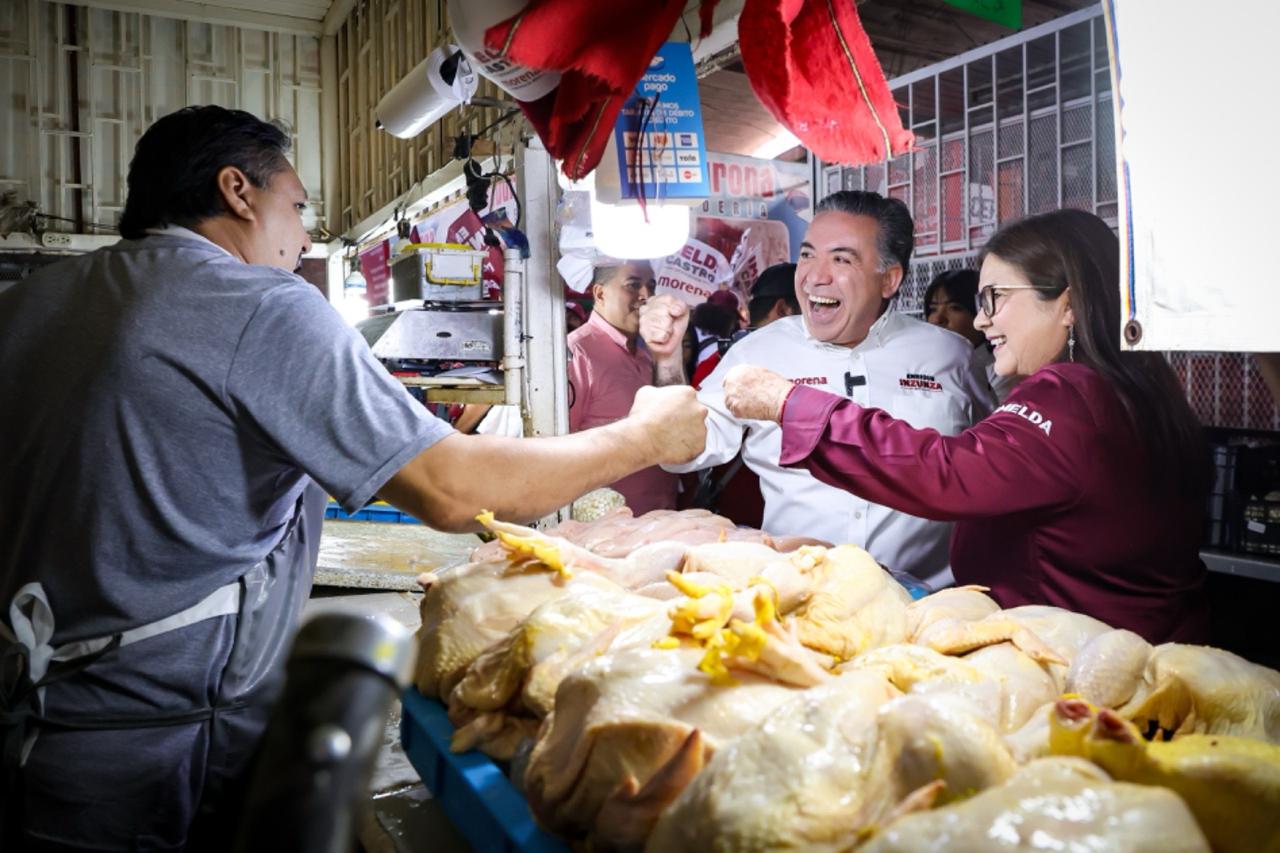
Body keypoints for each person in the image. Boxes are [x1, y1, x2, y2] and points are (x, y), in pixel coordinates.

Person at [0, 106, 706, 851]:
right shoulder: (255, 306)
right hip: (152, 751)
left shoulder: (29, 303)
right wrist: (641, 436)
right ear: (238, 191)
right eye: (297, 206)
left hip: (34, 717)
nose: (303, 237)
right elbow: (451, 487)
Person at [722, 208, 1211, 644]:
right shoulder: (1142, 389)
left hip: (1079, 661)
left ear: (1068, 304)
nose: (980, 321)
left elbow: (946, 472)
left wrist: (791, 404)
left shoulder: (1068, 395)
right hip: (1137, 643)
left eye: (995, 298)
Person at [641, 191, 994, 586]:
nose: (814, 276)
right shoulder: (758, 352)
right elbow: (680, 452)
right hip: (796, 600)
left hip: (927, 606)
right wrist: (668, 360)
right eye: (808, 254)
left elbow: (993, 472)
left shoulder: (952, 356)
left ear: (889, 278)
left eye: (841, 259)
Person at [567, 260, 679, 514]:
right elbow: (558, 445)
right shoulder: (577, 353)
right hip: (602, 529)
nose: (646, 296)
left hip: (660, 518)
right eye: (633, 285)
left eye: (651, 286)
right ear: (600, 293)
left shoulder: (647, 355)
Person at [924, 268, 1019, 402]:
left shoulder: (1002, 371)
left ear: (981, 313)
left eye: (954, 307)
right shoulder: (925, 367)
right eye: (933, 309)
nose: (937, 319)